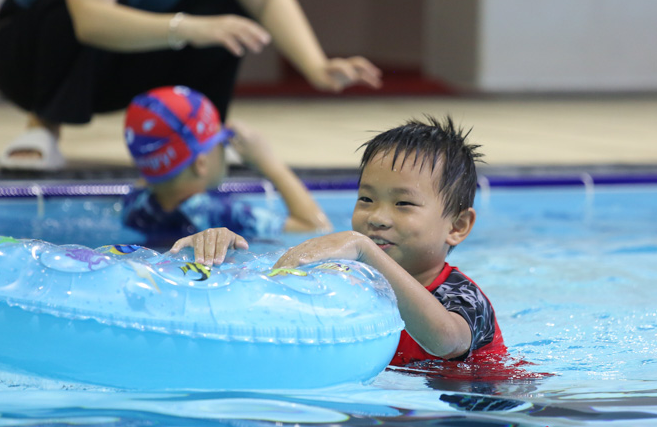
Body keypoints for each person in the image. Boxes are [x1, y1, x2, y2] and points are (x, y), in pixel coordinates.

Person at [0, 0, 382, 171]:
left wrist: (316, 66)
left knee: (225, 4)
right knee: (76, 2)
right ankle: (43, 127)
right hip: (25, 62)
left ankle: (202, 135)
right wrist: (190, 27)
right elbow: (91, 19)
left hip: (112, 66)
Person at [171, 117, 506, 365]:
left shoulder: (463, 297)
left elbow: (445, 342)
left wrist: (364, 248)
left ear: (458, 226)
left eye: (403, 204)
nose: (377, 217)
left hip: (472, 417)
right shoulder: (349, 280)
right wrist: (223, 255)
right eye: (366, 200)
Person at [122, 85, 331, 246]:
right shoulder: (224, 214)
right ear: (201, 164)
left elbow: (151, 161)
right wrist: (271, 165)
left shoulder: (134, 206)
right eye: (220, 142)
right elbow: (316, 228)